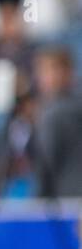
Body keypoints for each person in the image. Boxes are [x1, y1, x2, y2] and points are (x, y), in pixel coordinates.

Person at [32, 46, 82, 198]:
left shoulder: (52, 114)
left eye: (52, 69)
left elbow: (45, 165)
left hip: (67, 205)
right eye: (43, 70)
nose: (47, 77)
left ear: (69, 72)